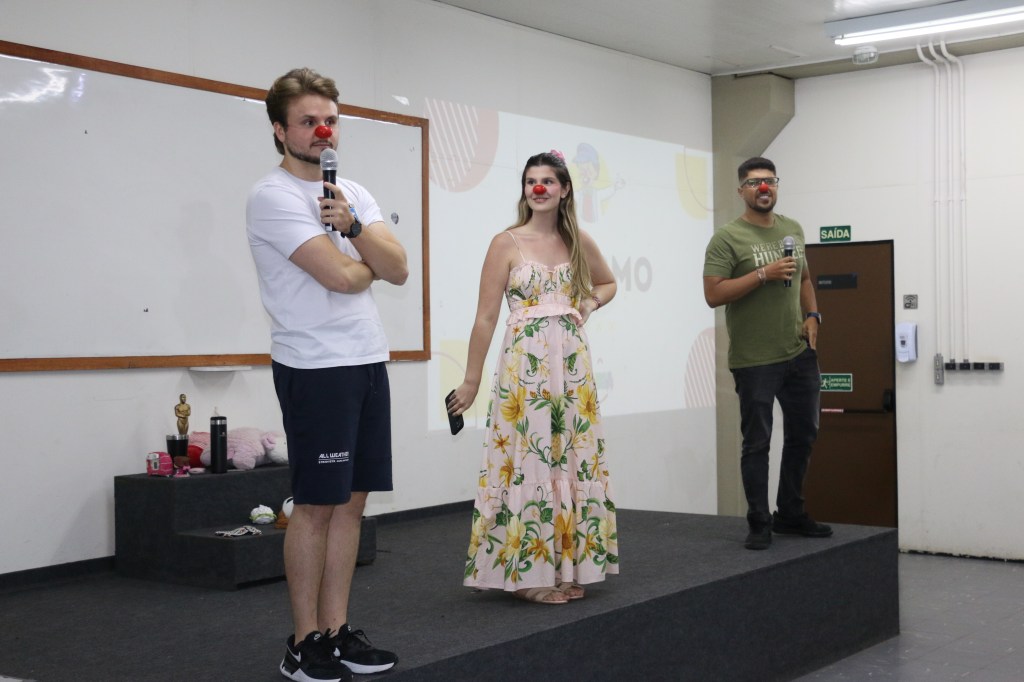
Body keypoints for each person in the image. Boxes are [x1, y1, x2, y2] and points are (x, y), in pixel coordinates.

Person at [246, 67, 408, 682]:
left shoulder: (353, 193)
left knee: (352, 504)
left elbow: (399, 269)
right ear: (279, 129)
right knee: (315, 506)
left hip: (366, 359)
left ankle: (337, 633)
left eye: (331, 120)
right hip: (314, 366)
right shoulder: (272, 196)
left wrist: (355, 230)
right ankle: (302, 643)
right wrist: (364, 259)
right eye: (309, 121)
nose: (323, 131)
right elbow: (342, 277)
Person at [446, 150, 619, 605]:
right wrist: (470, 381)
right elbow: (485, 317)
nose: (538, 188)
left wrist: (589, 303)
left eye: (547, 180)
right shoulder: (505, 242)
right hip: (526, 369)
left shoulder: (577, 240)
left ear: (564, 189)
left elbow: (607, 283)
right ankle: (527, 575)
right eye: (530, 181)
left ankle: (563, 568)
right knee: (531, 459)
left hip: (572, 368)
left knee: (568, 459)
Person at [702, 157, 832, 551]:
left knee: (804, 434)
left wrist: (813, 316)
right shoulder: (727, 238)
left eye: (770, 181)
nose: (763, 188)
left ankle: (790, 512)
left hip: (798, 353)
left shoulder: (793, 229)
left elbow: (805, 278)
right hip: (755, 360)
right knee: (758, 442)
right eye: (755, 182)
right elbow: (713, 294)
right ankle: (759, 521)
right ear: (741, 190)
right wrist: (763, 274)